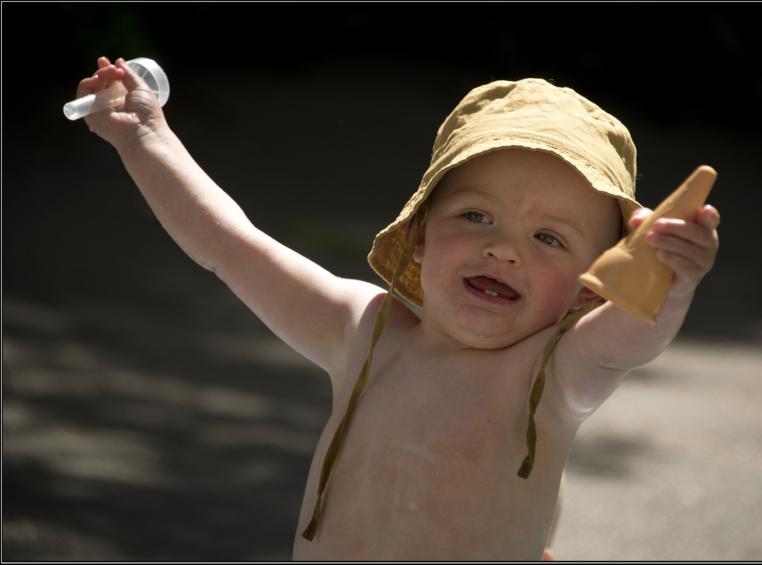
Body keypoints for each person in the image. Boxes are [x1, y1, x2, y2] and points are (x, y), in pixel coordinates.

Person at [76, 57, 720, 560]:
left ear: (588, 289)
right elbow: (230, 245)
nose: (503, 249)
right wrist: (145, 138)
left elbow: (633, 333)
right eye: (476, 216)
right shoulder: (364, 329)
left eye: (548, 238)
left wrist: (670, 278)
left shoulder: (551, 375)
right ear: (419, 234)